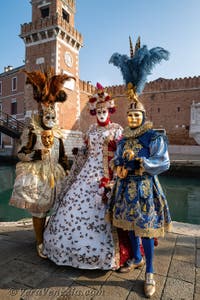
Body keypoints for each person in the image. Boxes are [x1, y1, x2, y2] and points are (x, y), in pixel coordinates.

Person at [107, 37, 172, 297]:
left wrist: (142, 162)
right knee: (128, 225)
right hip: (125, 187)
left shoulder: (152, 137)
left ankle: (150, 271)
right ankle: (135, 258)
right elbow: (117, 159)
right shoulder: (124, 138)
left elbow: (164, 161)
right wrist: (118, 165)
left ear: (143, 116)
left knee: (145, 229)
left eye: (137, 115)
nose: (133, 117)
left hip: (145, 188)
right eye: (130, 115)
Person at [43, 83, 132, 270]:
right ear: (94, 112)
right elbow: (85, 152)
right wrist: (75, 161)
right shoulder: (90, 130)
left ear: (109, 111)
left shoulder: (117, 129)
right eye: (98, 111)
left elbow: (120, 153)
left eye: (104, 110)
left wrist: (117, 175)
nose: (101, 113)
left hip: (106, 173)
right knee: (71, 202)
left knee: (104, 205)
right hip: (86, 172)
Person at [9, 68, 72, 258]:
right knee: (39, 210)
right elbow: (21, 152)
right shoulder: (32, 131)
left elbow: (62, 156)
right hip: (38, 175)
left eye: (53, 116)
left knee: (59, 206)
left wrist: (67, 169)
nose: (50, 118)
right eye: (47, 115)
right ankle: (39, 241)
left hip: (57, 174)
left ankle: (51, 236)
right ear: (42, 114)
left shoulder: (58, 134)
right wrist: (36, 155)